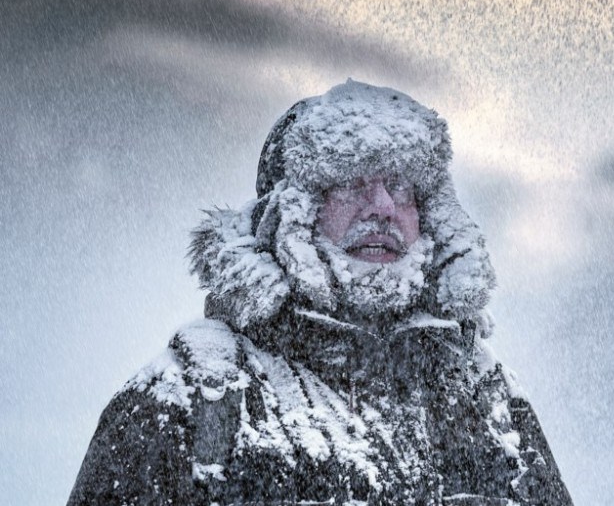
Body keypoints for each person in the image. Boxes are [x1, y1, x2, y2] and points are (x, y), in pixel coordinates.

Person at [67, 80, 573, 505]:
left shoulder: (486, 401)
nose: (382, 207)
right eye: (349, 182)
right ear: (292, 212)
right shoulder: (191, 401)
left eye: (402, 185)